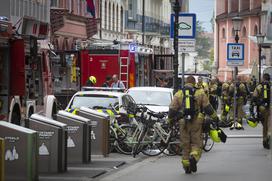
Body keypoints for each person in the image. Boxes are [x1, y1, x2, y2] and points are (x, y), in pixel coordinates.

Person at [168, 75, 220, 174]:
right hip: (197, 121)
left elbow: (172, 109)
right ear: (194, 83)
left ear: (185, 82)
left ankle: (186, 166)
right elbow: (208, 107)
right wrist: (215, 117)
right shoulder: (200, 92)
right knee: (196, 143)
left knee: (185, 144)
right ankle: (194, 157)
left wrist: (169, 120)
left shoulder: (179, 93)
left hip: (183, 122)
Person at [251, 73, 271, 149]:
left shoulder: (259, 86)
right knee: (269, 124)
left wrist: (253, 110)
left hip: (262, 108)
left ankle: (265, 140)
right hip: (270, 107)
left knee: (265, 125)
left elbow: (254, 97)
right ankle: (269, 135)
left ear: (263, 78)